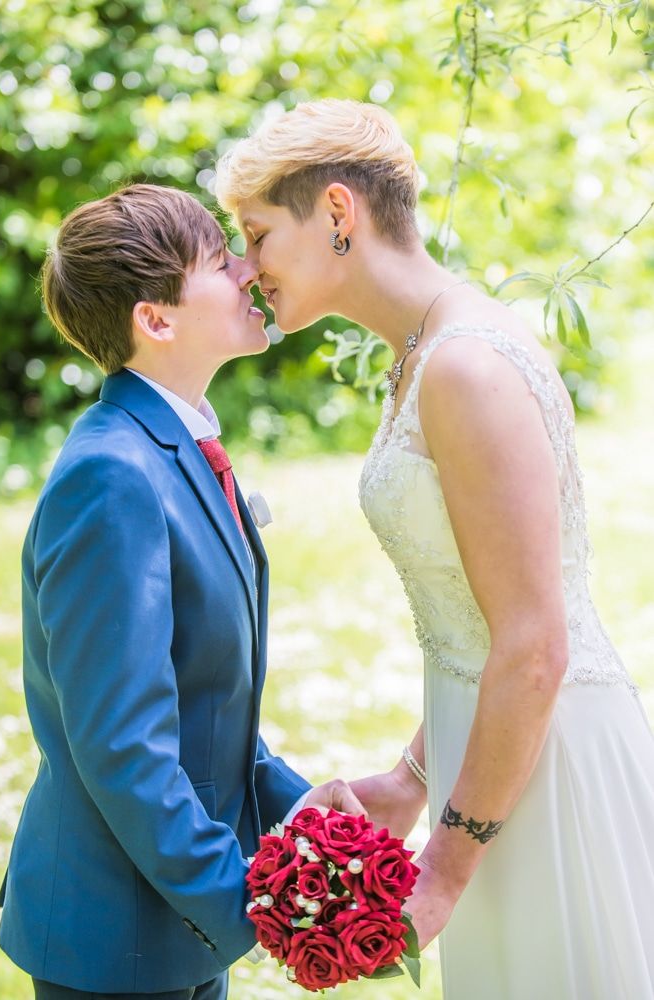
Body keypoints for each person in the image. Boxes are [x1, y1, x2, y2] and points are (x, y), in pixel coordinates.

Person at [215, 99, 654, 999]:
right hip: (486, 764)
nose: (247, 269)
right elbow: (477, 615)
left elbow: (534, 644)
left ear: (338, 213)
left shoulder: (464, 365)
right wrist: (415, 778)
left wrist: (447, 868)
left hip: (548, 767)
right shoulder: (420, 352)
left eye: (256, 235)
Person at [0, 183, 363, 1000]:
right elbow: (125, 746)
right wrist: (249, 905)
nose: (247, 270)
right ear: (155, 320)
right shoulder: (111, 476)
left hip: (168, 927)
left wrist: (301, 815)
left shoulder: (175, 446)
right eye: (219, 258)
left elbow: (197, 702)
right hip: (115, 940)